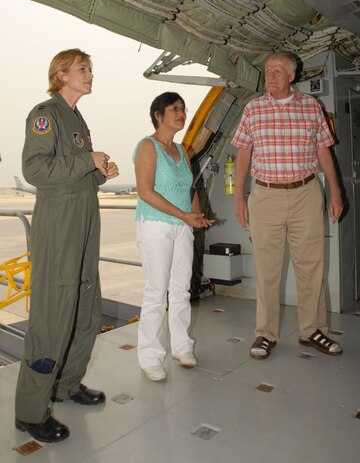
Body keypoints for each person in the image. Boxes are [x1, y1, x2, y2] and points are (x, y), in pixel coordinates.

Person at [15, 48, 119, 443]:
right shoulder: (45, 114)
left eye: (90, 68)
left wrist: (99, 172)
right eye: (83, 69)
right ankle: (30, 410)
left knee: (86, 309)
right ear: (61, 74)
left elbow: (74, 175)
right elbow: (36, 170)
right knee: (52, 317)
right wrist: (86, 159)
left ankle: (66, 384)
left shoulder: (76, 118)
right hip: (59, 226)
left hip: (84, 218)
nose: (90, 74)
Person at [232, 51, 344, 360]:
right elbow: (243, 153)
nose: (270, 76)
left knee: (311, 265)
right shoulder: (253, 109)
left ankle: (313, 330)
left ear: (292, 76)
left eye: (278, 71)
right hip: (265, 195)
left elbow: (324, 152)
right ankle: (265, 334)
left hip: (305, 193)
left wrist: (335, 192)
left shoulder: (311, 106)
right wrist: (240, 196)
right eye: (268, 71)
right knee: (267, 268)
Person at [134, 92, 214, 382]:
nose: (181, 113)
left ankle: (182, 347)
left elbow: (189, 189)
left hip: (182, 229)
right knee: (156, 293)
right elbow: (145, 191)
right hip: (156, 226)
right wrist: (183, 217)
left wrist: (195, 218)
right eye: (175, 109)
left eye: (183, 109)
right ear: (158, 115)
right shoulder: (147, 146)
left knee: (181, 290)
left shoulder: (182, 150)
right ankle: (151, 357)